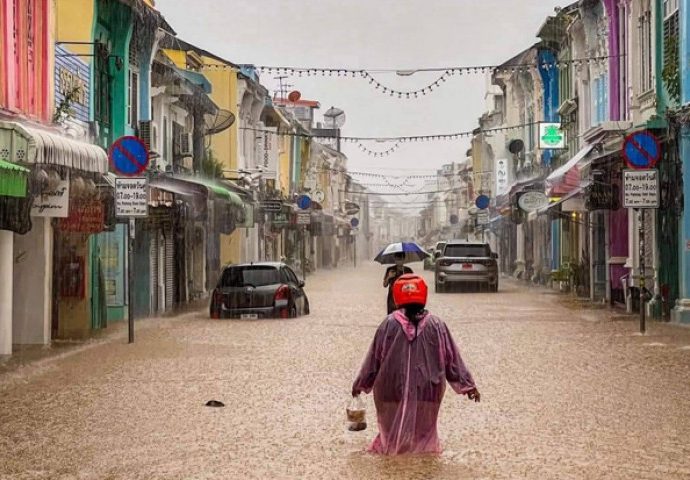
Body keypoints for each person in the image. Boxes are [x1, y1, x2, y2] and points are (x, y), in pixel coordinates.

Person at [352, 274, 480, 455]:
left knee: (390, 439)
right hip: (428, 392)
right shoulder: (437, 325)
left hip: (391, 392)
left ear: (397, 297)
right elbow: (452, 359)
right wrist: (468, 385)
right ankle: (422, 468)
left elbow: (373, 360)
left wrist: (360, 384)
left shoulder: (388, 324)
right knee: (424, 439)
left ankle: (393, 468)